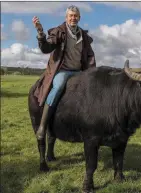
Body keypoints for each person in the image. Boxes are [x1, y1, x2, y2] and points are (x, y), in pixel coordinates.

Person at [32, 5, 96, 140]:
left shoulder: (83, 35)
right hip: (63, 71)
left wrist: (92, 72)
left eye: (75, 16)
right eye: (71, 16)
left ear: (79, 17)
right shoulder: (59, 32)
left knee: (92, 92)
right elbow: (46, 48)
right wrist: (40, 33)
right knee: (58, 87)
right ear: (66, 18)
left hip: (79, 72)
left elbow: (90, 56)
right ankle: (43, 127)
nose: (73, 18)